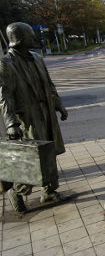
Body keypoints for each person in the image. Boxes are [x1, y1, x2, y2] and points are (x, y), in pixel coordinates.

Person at [0, 22, 68, 213]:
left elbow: (49, 84)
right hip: (27, 116)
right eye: (30, 35)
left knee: (50, 152)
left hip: (45, 112)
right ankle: (17, 191)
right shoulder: (6, 64)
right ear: (19, 39)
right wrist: (11, 123)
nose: (34, 38)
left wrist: (58, 105)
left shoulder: (37, 58)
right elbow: (4, 97)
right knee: (30, 159)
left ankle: (49, 190)